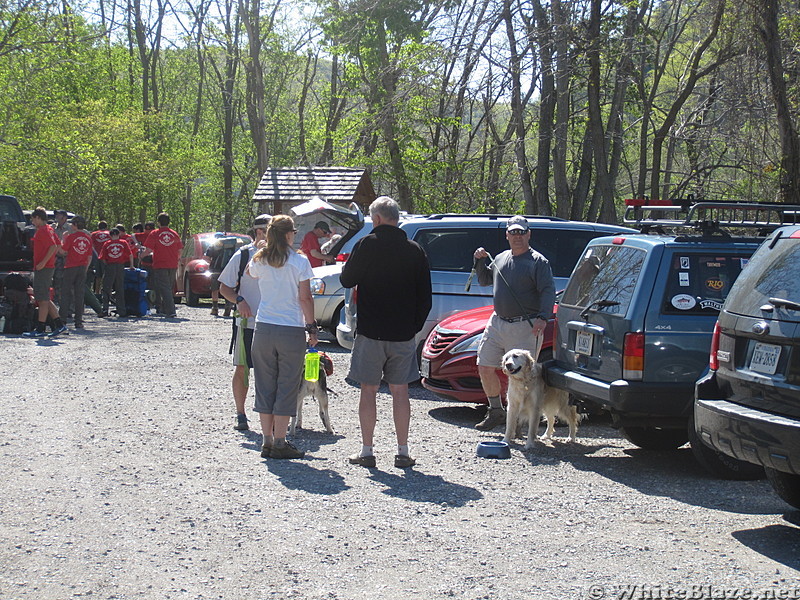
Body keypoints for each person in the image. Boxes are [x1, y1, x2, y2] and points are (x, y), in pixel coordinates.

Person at [340, 196, 432, 469]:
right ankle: (403, 451)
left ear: (377, 219)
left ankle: (367, 450)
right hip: (402, 333)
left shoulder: (367, 244)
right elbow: (425, 298)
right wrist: (413, 326)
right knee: (400, 391)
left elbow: (347, 279)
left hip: (371, 331)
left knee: (368, 390)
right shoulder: (415, 250)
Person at [472, 215, 556, 430]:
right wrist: (479, 260)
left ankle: (519, 421)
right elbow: (484, 280)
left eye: (521, 232)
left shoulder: (538, 262)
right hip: (497, 322)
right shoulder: (500, 257)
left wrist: (542, 318)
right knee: (485, 366)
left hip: (524, 326)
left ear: (529, 234)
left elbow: (548, 291)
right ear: (507, 235)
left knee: (523, 377)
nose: (517, 236)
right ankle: (496, 411)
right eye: (513, 233)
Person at [246, 214, 317, 460]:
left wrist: (261, 247)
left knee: (265, 384)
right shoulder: (299, 262)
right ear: (289, 234)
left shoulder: (260, 260)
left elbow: (250, 271)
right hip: (290, 328)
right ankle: (280, 440)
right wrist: (312, 327)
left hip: (264, 327)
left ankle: (265, 440)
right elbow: (305, 298)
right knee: (286, 385)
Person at [218, 214, 271, 431]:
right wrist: (239, 300)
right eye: (270, 230)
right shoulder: (243, 255)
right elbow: (224, 287)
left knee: (270, 371)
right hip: (246, 323)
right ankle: (241, 414)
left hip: (273, 323)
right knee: (242, 367)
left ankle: (270, 419)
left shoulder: (282, 256)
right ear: (259, 232)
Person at [23, 207, 68, 338]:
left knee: (42, 299)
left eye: (33, 218)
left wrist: (43, 262)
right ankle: (60, 325)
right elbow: (59, 246)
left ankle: (40, 329)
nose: (32, 221)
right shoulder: (49, 229)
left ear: (38, 218)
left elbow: (53, 246)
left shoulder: (43, 230)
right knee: (45, 298)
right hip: (46, 267)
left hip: (44, 268)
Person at [143, 212, 183, 318]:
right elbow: (180, 250)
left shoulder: (155, 233)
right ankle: (164, 309)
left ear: (158, 222)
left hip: (160, 264)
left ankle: (170, 311)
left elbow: (148, 250)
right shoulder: (174, 234)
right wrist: (177, 260)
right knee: (168, 288)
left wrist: (141, 256)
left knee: (164, 288)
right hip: (173, 264)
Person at [58, 215, 93, 329]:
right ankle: (78, 321)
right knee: (79, 294)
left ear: (76, 225)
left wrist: (62, 240)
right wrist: (85, 268)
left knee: (66, 293)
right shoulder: (88, 238)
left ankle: (62, 319)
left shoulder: (71, 237)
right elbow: (89, 256)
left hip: (70, 266)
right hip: (82, 267)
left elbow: (63, 251)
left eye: (72, 224)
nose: (71, 226)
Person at [99, 228, 134, 317]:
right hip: (120, 266)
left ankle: (105, 309)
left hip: (110, 265)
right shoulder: (123, 242)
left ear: (110, 235)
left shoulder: (107, 244)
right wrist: (131, 265)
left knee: (106, 288)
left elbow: (102, 258)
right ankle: (121, 310)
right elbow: (130, 254)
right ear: (119, 234)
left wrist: (107, 265)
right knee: (120, 288)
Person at [52, 209, 70, 305]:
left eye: (59, 215)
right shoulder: (53, 228)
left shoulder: (71, 228)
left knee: (68, 283)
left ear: (64, 217)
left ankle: (69, 306)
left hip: (68, 259)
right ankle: (57, 302)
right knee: (56, 281)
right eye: (56, 215)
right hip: (55, 258)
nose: (57, 217)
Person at [90, 221, 111, 294]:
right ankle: (107, 292)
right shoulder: (110, 234)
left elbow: (91, 246)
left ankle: (97, 292)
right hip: (107, 257)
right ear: (106, 226)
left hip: (97, 256)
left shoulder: (93, 234)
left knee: (98, 276)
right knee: (107, 276)